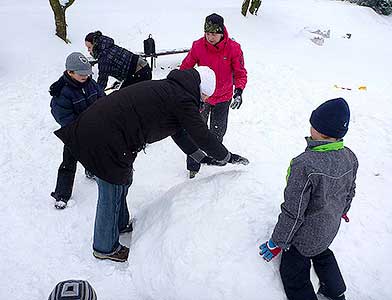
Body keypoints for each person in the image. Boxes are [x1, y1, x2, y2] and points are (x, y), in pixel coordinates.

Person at [54, 66, 249, 262]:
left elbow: (179, 131)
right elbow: (201, 134)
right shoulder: (183, 98)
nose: (206, 101)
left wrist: (200, 157)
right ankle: (104, 247)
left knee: (122, 180)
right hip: (105, 136)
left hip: (112, 133)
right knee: (111, 188)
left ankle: (120, 225)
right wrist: (226, 157)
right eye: (206, 95)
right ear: (200, 88)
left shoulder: (173, 90)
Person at [258, 98, 358, 300]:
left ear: (319, 130)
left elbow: (293, 212)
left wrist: (278, 242)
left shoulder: (304, 165)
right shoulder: (350, 156)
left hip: (303, 238)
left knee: (294, 272)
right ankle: (335, 291)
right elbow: (350, 190)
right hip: (330, 228)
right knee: (323, 252)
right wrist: (343, 211)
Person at [180, 13, 248, 178]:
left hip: (224, 97)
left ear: (222, 33)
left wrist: (238, 91)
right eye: (207, 33)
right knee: (195, 132)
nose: (210, 37)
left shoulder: (233, 48)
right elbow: (185, 68)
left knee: (217, 133)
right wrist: (182, 86)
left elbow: (240, 73)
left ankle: (216, 158)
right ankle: (193, 166)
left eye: (214, 33)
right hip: (203, 97)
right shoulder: (198, 46)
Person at [50, 52, 105, 209]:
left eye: (88, 73)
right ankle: (62, 194)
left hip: (93, 127)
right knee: (68, 162)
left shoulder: (91, 84)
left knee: (94, 152)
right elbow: (63, 116)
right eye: (81, 74)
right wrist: (80, 128)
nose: (86, 76)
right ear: (70, 72)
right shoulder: (62, 92)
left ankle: (91, 170)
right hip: (73, 132)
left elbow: (102, 99)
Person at [84, 31, 152, 90]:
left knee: (125, 98)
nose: (88, 50)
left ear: (95, 45)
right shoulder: (106, 47)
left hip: (140, 73)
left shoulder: (104, 56)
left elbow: (102, 81)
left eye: (89, 47)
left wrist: (95, 96)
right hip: (140, 70)